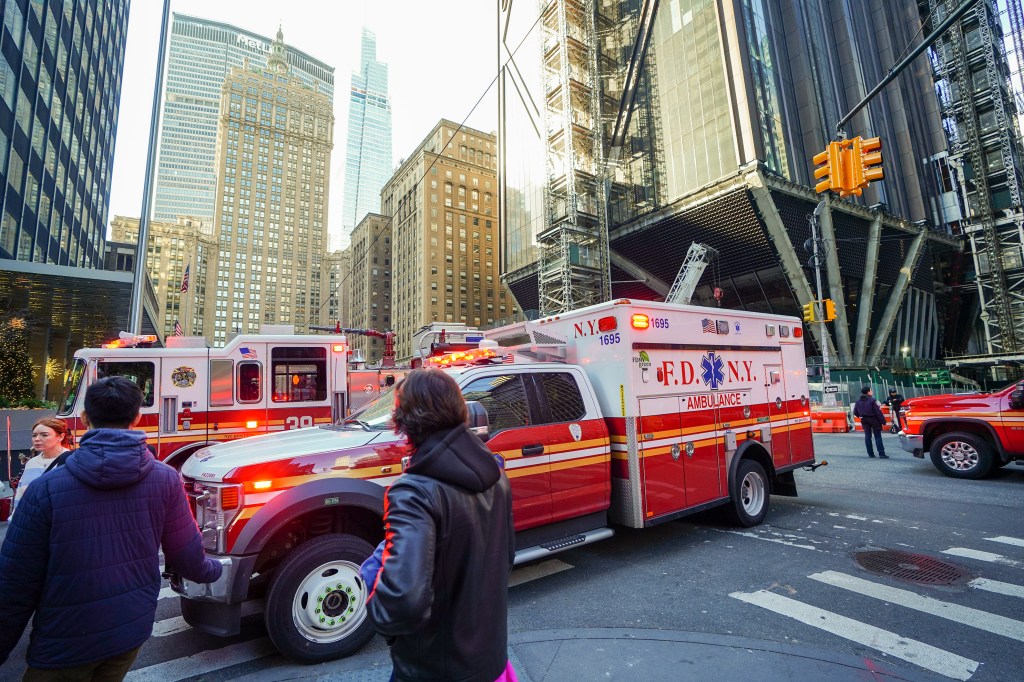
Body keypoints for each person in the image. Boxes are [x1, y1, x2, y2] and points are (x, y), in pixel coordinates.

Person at [0, 376, 223, 679]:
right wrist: (216, 570)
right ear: (137, 417)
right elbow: (187, 555)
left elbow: (14, 583)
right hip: (130, 631)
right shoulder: (166, 479)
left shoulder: (46, 489)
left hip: (64, 642)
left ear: (84, 417)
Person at [364, 368, 515, 682]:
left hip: (433, 670)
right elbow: (505, 558)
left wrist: (372, 595)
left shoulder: (413, 492)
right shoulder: (497, 474)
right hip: (491, 663)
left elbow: (402, 603)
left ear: (404, 420)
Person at [10, 418, 73, 519]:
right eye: (34, 435)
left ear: (61, 437)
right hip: (33, 522)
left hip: (61, 521)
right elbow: (21, 495)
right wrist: (15, 518)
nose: (37, 439)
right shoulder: (31, 463)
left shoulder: (72, 460)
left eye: (44, 435)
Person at [853, 385, 889, 459]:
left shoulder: (858, 401)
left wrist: (861, 415)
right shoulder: (872, 400)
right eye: (871, 390)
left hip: (864, 420)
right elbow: (878, 412)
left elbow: (855, 412)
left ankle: (870, 454)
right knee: (877, 436)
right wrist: (883, 421)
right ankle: (881, 454)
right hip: (874, 419)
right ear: (868, 392)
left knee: (867, 436)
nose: (872, 391)